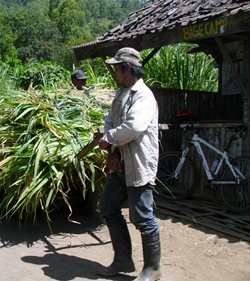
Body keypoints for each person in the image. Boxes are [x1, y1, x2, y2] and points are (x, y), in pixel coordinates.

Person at [96, 47, 161, 281]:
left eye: (116, 68)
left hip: (138, 164)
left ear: (126, 68)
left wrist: (109, 139)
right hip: (121, 162)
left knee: (143, 217)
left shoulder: (143, 96)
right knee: (108, 208)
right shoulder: (121, 92)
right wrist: (111, 151)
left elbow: (133, 127)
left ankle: (153, 268)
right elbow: (110, 120)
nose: (114, 72)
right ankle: (123, 260)